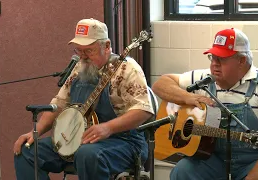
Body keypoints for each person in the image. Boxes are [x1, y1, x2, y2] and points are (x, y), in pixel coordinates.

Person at [13, 18, 154, 180]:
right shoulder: (79, 68)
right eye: (78, 51)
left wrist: (107, 128)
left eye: (88, 51)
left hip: (123, 141)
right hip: (78, 139)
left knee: (87, 154)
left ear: (107, 46)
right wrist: (34, 133)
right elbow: (59, 104)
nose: (83, 56)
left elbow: (144, 110)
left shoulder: (127, 69)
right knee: (26, 151)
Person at [152, 28, 258, 180]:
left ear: (241, 60)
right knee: (182, 171)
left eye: (222, 59)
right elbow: (161, 84)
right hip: (216, 159)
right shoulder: (203, 79)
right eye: (212, 57)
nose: (214, 64)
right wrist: (187, 97)